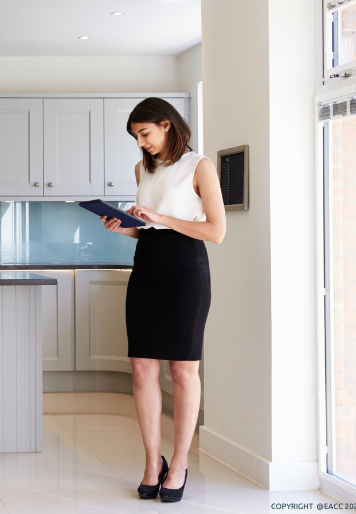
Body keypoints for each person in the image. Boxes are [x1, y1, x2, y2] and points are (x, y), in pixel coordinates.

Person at [100, 97, 226, 503]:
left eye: (145, 133)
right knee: (141, 369)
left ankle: (182, 461)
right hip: (147, 268)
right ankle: (153, 462)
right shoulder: (143, 169)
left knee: (183, 371)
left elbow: (215, 231)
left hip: (187, 272)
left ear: (167, 125)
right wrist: (126, 228)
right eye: (136, 137)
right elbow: (148, 230)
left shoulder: (200, 166)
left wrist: (161, 219)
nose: (141, 144)